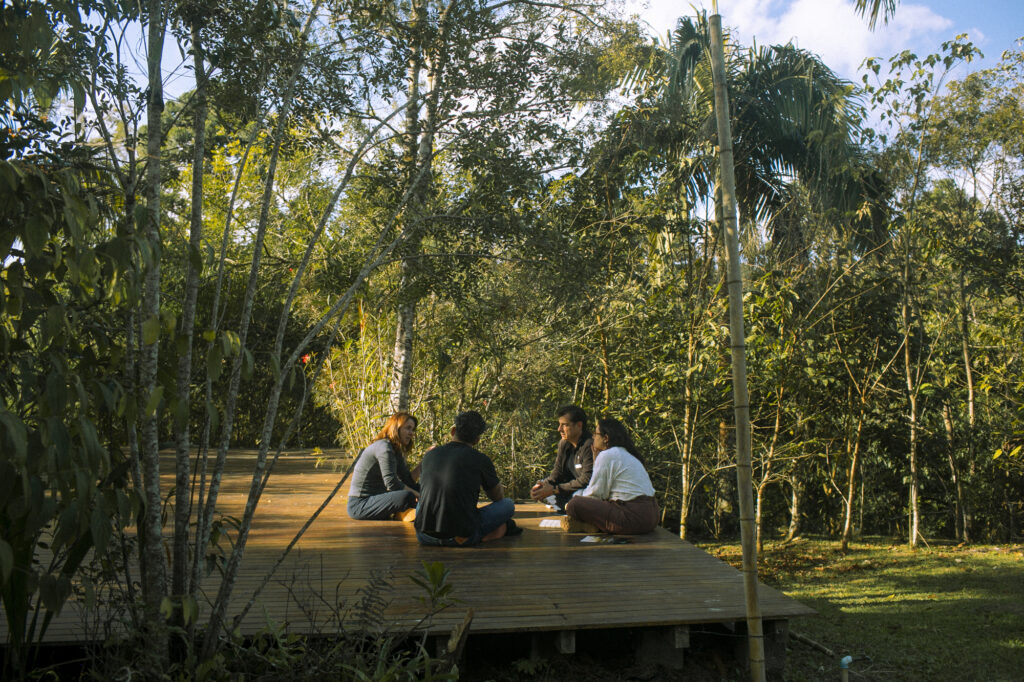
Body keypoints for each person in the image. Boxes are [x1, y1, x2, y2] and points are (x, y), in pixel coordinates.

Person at [414, 410, 517, 547]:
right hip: (460, 537)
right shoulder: (480, 459)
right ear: (477, 440)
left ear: (453, 431)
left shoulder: (430, 456)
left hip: (424, 536)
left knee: (422, 502)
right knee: (508, 504)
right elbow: (498, 497)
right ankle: (487, 533)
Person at [563, 417, 659, 535]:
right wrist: (595, 461)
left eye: (596, 434)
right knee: (579, 500)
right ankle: (590, 525)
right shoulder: (627, 454)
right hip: (652, 517)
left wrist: (573, 499)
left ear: (606, 438)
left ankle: (591, 525)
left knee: (574, 504)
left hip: (632, 518)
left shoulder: (607, 455)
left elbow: (594, 494)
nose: (593, 437)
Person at [347, 412, 420, 521]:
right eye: (408, 428)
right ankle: (403, 513)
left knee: (423, 488)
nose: (411, 433)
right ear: (396, 428)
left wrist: (424, 463)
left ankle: (404, 512)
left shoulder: (395, 450)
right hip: (360, 505)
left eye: (412, 430)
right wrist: (418, 496)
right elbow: (391, 483)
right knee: (407, 496)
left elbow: (407, 480)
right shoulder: (384, 447)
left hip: (376, 500)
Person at [529, 405, 594, 512]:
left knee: (579, 497)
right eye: (559, 425)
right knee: (542, 489)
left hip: (584, 491)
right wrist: (544, 486)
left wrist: (555, 490)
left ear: (579, 425)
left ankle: (569, 508)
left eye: (564, 425)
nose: (559, 429)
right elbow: (557, 473)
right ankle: (565, 507)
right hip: (567, 490)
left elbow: (586, 480)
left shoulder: (589, 445)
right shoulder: (564, 444)